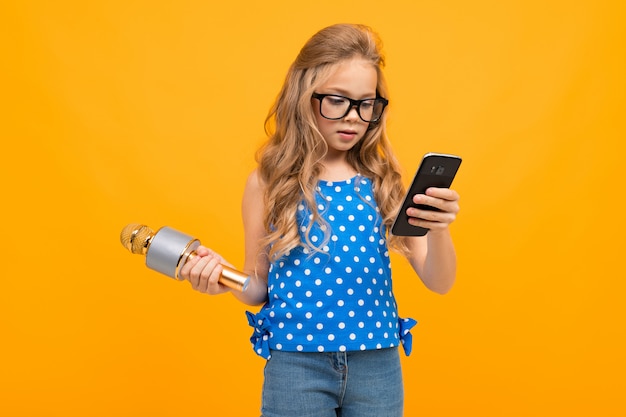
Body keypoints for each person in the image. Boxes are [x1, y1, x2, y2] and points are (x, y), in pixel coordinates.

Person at [180, 23, 460, 417]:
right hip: (297, 366)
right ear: (303, 96)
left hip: (377, 365)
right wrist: (220, 278)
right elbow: (257, 287)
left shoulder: (382, 180)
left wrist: (441, 228)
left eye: (367, 103)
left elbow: (439, 281)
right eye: (337, 100)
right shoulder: (268, 181)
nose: (353, 118)